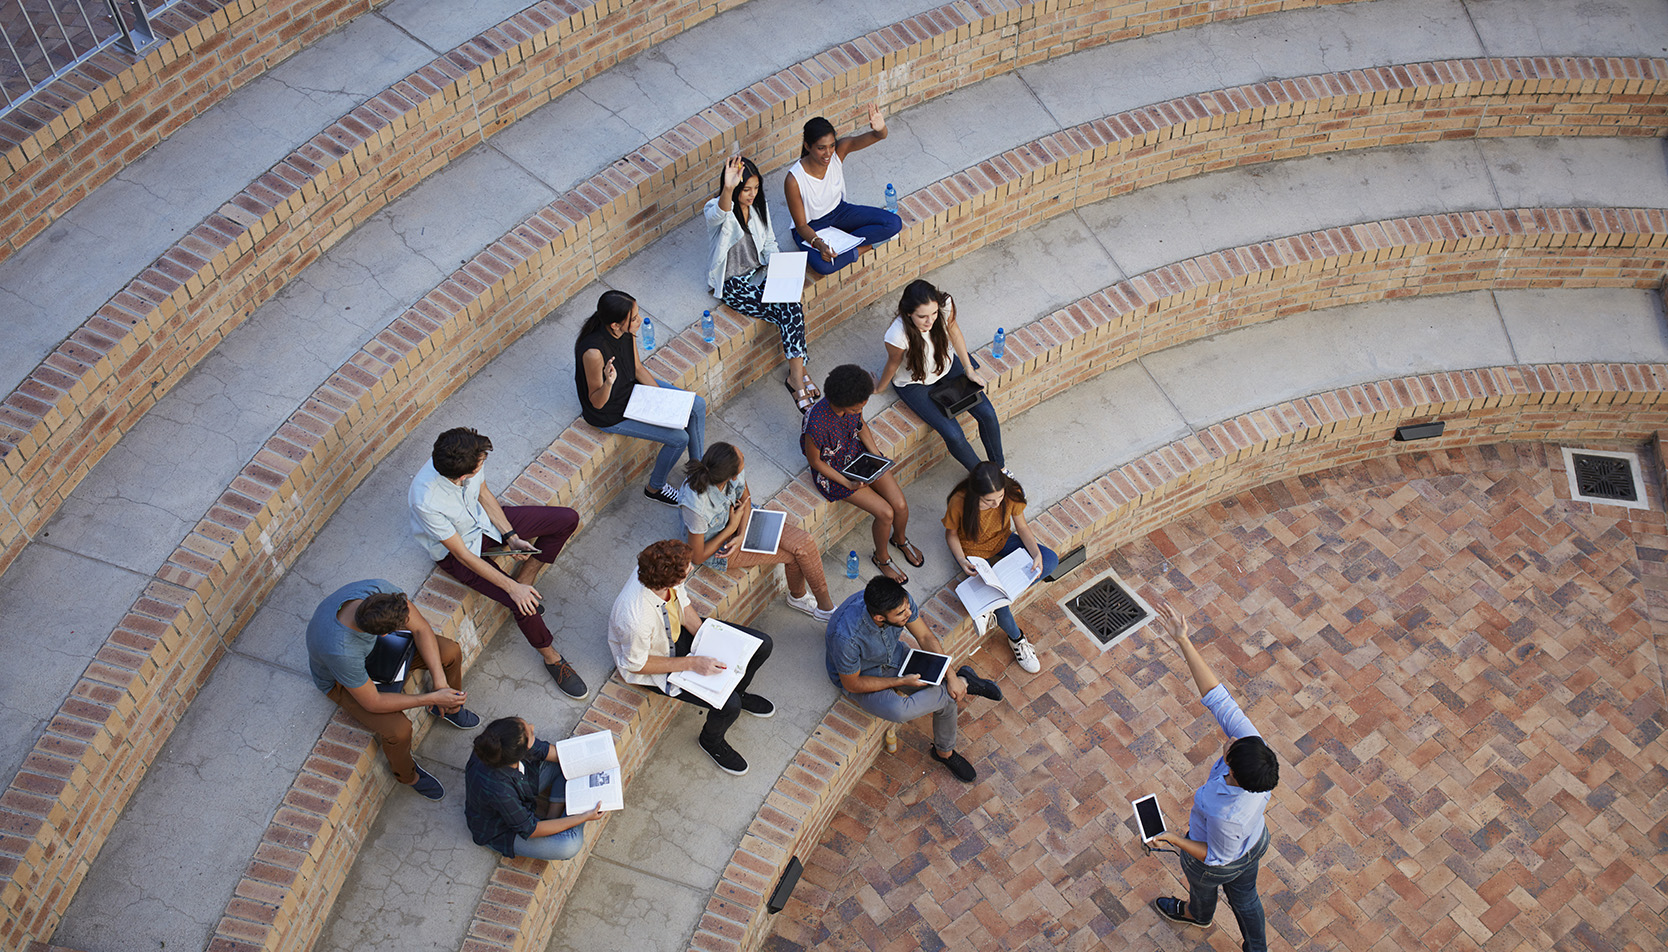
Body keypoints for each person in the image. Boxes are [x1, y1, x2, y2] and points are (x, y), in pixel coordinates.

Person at [408, 427, 588, 699]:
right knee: (521, 602)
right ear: (462, 474)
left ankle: (525, 578)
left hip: (486, 525)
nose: (484, 463)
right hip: (458, 552)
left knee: (566, 519)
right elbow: (463, 555)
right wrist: (511, 589)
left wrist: (511, 536)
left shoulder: (466, 458)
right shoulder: (426, 500)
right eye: (480, 464)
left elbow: (483, 494)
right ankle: (552, 658)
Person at [1147, 602, 1279, 952]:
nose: (1230, 739)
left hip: (1222, 856)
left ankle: (1196, 914)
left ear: (1233, 773)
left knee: (1203, 886)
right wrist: (1183, 640)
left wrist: (1172, 839)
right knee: (1246, 898)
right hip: (1254, 842)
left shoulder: (1226, 813)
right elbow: (1219, 700)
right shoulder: (1254, 750)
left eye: (1230, 749)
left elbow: (1214, 856)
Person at [607, 540, 776, 776]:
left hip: (677, 635)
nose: (691, 569)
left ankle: (736, 688)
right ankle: (711, 742)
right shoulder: (635, 618)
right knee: (730, 707)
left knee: (761, 645)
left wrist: (706, 640)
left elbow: (682, 606)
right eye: (686, 570)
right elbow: (636, 663)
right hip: (660, 659)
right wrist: (693, 663)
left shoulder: (659, 575)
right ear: (670, 580)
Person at [306, 580, 476, 800]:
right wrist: (429, 697)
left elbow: (420, 628)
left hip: (372, 651)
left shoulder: (378, 591)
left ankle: (448, 708)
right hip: (340, 681)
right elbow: (373, 702)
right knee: (398, 729)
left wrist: (440, 684)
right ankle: (408, 776)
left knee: (449, 652)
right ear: (385, 634)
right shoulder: (341, 651)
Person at [824, 577, 1004, 783]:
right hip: (864, 676)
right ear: (879, 618)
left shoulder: (901, 602)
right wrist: (901, 682)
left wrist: (952, 676)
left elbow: (926, 637)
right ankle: (966, 682)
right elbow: (852, 684)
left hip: (895, 658)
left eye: (907, 607)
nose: (909, 614)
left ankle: (944, 752)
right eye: (901, 614)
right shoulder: (847, 638)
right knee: (901, 710)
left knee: (948, 692)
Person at [705, 154, 820, 412]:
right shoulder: (717, 209)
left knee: (790, 305)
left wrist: (781, 270)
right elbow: (718, 214)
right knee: (789, 309)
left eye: (756, 189)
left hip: (759, 272)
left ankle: (796, 376)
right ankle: (798, 377)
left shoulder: (759, 207)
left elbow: (768, 243)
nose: (752, 194)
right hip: (734, 284)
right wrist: (728, 187)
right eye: (746, 189)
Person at [575, 289, 708, 506]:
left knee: (697, 405)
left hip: (632, 389)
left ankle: (699, 474)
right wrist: (608, 382)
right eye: (634, 318)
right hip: (611, 411)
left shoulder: (626, 331)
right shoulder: (593, 353)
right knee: (678, 439)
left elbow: (636, 367)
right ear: (615, 325)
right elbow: (596, 402)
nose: (639, 320)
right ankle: (655, 488)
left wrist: (662, 401)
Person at [679, 442, 836, 621]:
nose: (743, 458)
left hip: (742, 522)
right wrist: (731, 529)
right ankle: (801, 598)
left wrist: (742, 532)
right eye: (742, 461)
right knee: (795, 555)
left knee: (804, 542)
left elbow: (746, 498)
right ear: (731, 476)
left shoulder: (727, 468)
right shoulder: (696, 506)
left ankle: (825, 607)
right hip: (720, 547)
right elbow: (697, 556)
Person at [800, 364, 920, 583]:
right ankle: (881, 558)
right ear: (841, 404)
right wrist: (847, 483)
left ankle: (900, 540)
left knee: (900, 505)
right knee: (886, 513)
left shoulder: (854, 403)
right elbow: (815, 461)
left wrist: (876, 455)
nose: (859, 411)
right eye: (856, 409)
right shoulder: (816, 424)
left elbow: (860, 424)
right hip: (834, 472)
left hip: (858, 455)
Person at [878, 280, 1004, 471]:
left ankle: (1001, 470)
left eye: (934, 314)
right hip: (914, 382)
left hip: (946, 365)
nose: (930, 321)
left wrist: (968, 368)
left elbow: (954, 332)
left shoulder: (945, 305)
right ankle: (985, 480)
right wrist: (878, 387)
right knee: (953, 433)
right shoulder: (897, 334)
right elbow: (893, 363)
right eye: (922, 316)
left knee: (987, 412)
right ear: (908, 312)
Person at [943, 463, 1056, 674]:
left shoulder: (1012, 493)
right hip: (972, 550)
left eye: (1000, 497)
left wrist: (1036, 554)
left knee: (1049, 561)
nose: (996, 504)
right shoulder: (959, 501)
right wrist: (961, 560)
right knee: (999, 601)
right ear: (975, 493)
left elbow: (1021, 526)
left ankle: (990, 601)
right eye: (988, 501)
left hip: (1002, 541)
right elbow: (950, 535)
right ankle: (1017, 638)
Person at [463, 717, 604, 861]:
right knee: (569, 845)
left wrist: (591, 762)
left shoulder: (501, 743)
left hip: (522, 786)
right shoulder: (500, 790)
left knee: (567, 764)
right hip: (502, 830)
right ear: (521, 752)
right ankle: (576, 811)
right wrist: (583, 817)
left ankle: (552, 817)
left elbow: (559, 756)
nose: (532, 726)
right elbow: (531, 829)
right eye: (529, 733)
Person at [784, 107, 903, 276]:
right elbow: (801, 225)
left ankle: (845, 246)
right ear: (807, 146)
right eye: (821, 148)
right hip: (812, 227)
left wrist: (880, 128)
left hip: (839, 212)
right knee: (823, 266)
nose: (828, 153)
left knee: (893, 223)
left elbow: (879, 136)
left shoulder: (840, 151)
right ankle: (868, 245)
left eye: (831, 145)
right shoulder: (793, 180)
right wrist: (819, 244)